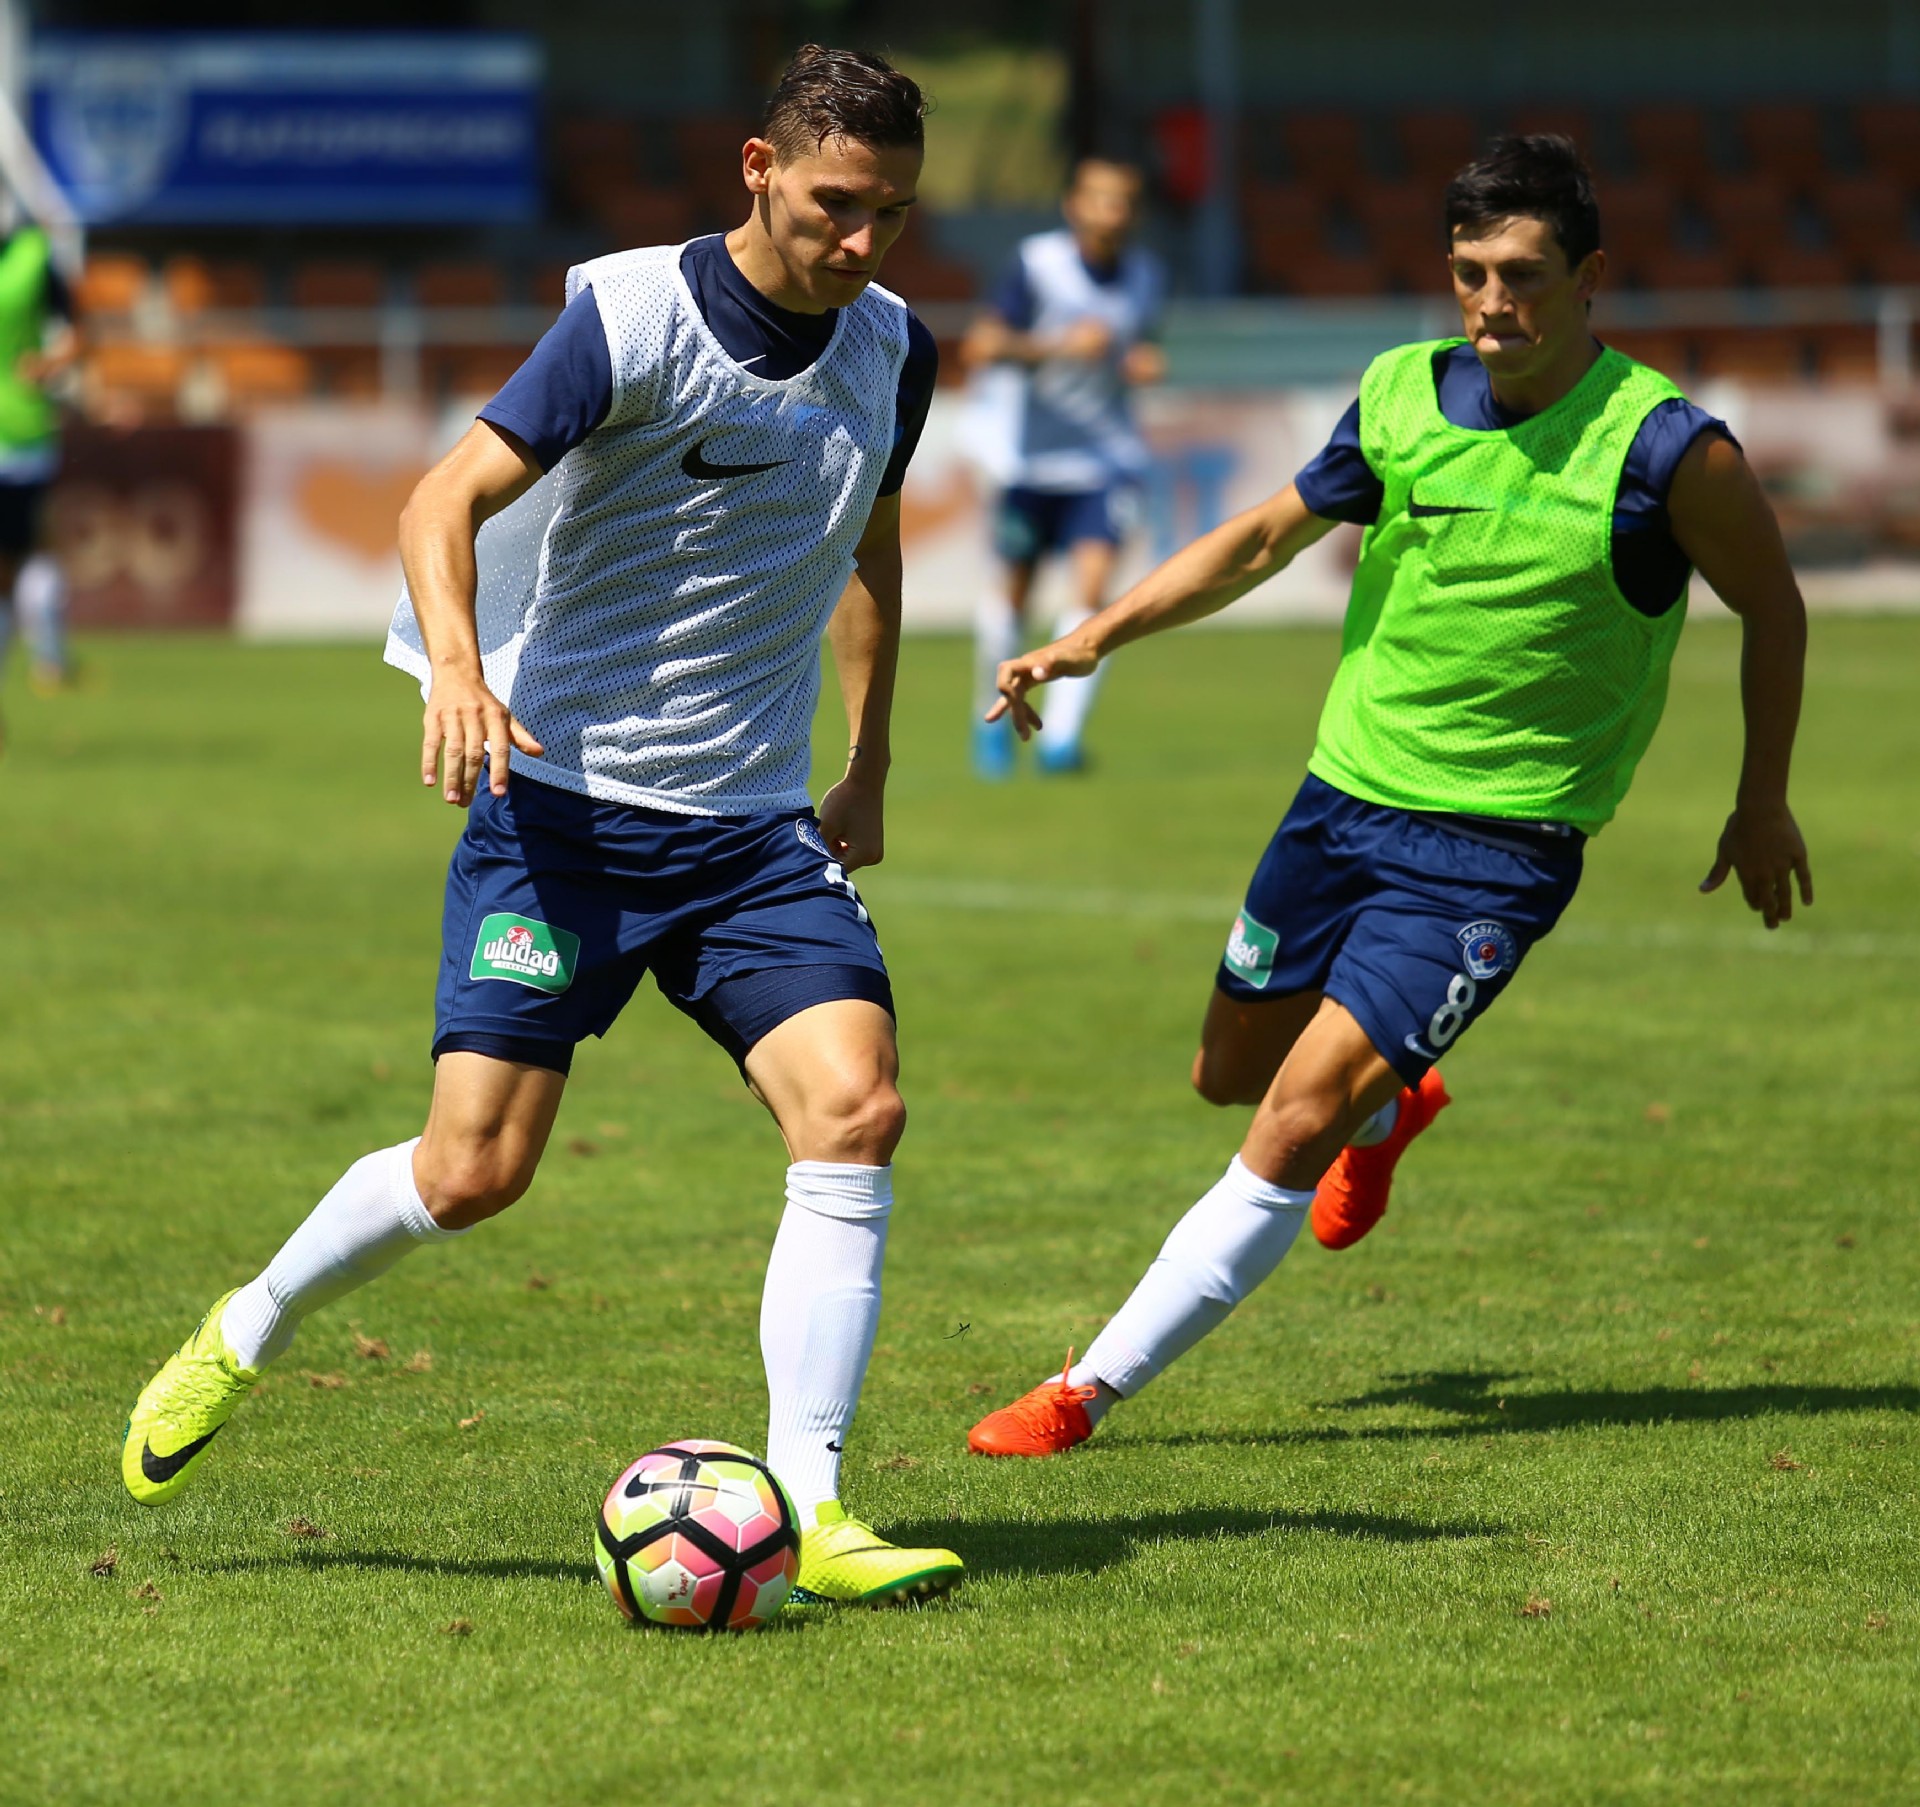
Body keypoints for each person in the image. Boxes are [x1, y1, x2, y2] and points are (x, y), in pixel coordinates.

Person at [123, 45, 965, 1607]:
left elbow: (870, 546)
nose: (865, 243)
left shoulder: (895, 348)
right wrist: (458, 668)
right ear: (759, 168)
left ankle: (815, 1502)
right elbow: (437, 501)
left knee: (856, 1110)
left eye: (895, 214)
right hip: (562, 816)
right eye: (839, 205)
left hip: (752, 834)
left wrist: (870, 758)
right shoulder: (631, 319)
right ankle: (247, 1324)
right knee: (473, 1171)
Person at [967, 135, 1814, 1457]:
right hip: (1340, 804)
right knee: (1227, 1073)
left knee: (1289, 1116)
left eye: (1524, 275)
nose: (1493, 302)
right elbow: (1263, 536)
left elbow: (1775, 604)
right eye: (1471, 272)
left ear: (1592, 276)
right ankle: (1392, 1105)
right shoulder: (1401, 393)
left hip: (1496, 851)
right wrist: (1093, 635)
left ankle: (1086, 1389)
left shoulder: (1666, 450)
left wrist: (1762, 801)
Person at [962, 157, 1165, 778]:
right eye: (1101, 198)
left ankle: (1062, 742)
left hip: (1106, 461)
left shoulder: (1146, 275)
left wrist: (1140, 361)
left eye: (1124, 200)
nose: (1113, 212)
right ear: (1073, 206)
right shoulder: (1037, 265)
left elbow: (1138, 345)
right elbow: (982, 345)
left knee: (1093, 596)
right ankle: (992, 723)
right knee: (1013, 599)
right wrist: (1058, 347)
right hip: (1030, 463)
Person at [0, 201, 80, 725]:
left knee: (19, 560)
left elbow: (75, 333)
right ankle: (50, 659)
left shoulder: (32, 256)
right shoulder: (33, 254)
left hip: (21, 434)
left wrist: (48, 365)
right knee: (26, 558)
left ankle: (48, 658)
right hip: (24, 433)